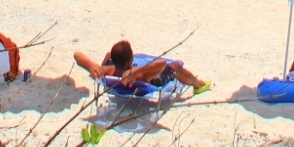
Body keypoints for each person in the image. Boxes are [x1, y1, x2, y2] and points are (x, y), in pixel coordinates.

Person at [74, 40, 211, 94]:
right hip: (149, 82)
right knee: (175, 66)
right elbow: (162, 64)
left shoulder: (105, 71)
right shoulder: (138, 76)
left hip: (115, 83)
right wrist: (137, 70)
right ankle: (199, 85)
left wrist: (91, 65)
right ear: (131, 60)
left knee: (108, 54)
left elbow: (77, 55)